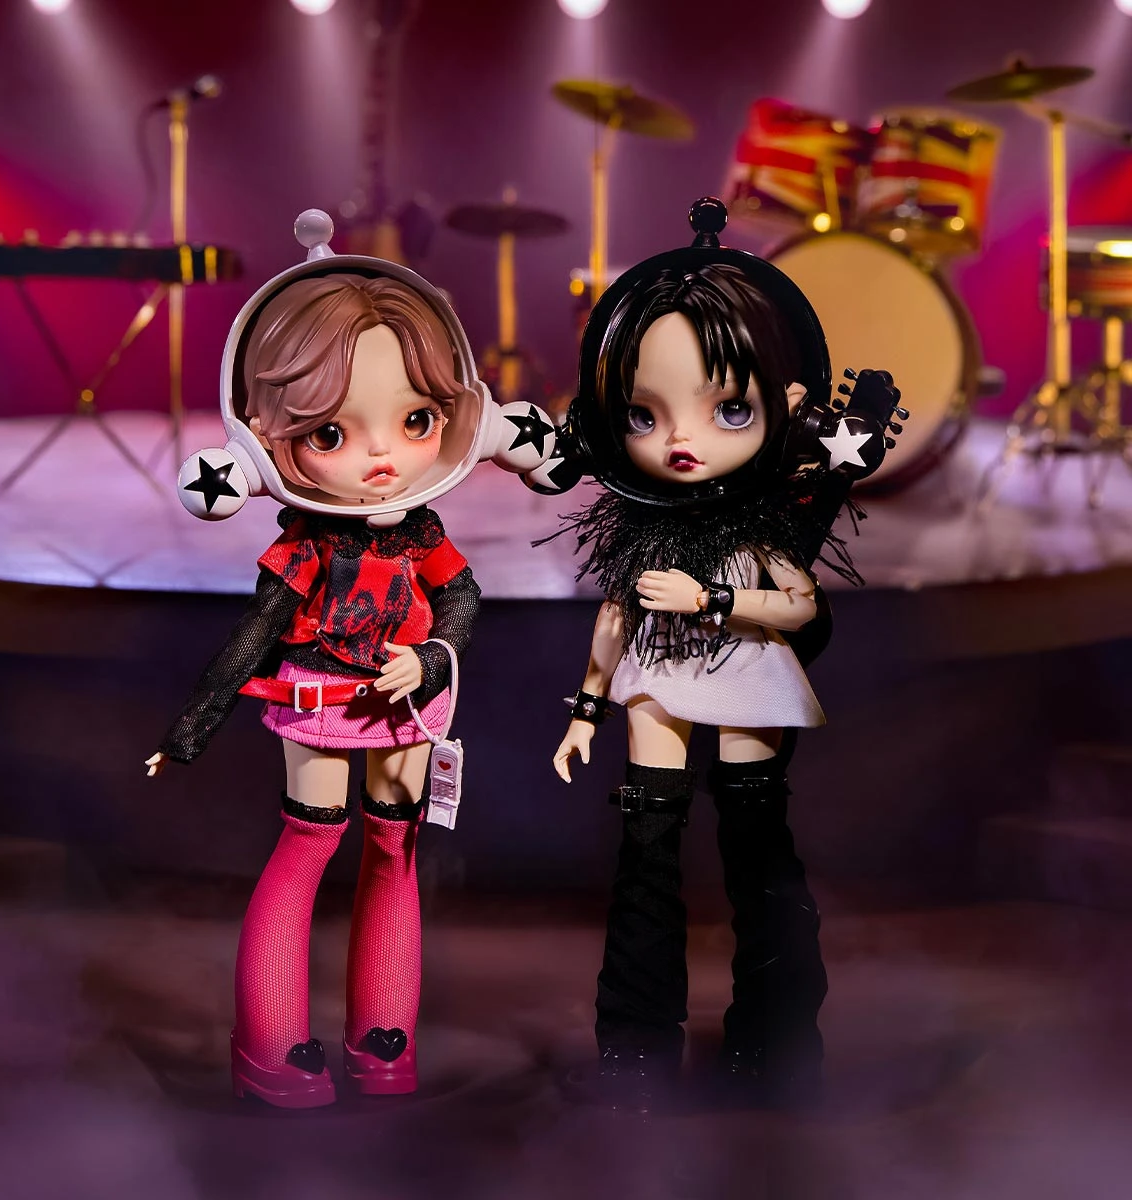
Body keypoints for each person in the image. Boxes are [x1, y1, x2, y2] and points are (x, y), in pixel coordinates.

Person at [148, 213, 558, 1108]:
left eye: (416, 421)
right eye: (330, 434)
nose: (380, 455)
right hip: (321, 702)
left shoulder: (421, 531)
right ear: (265, 440)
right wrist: (190, 729)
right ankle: (271, 1043)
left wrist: (434, 659)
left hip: (407, 706)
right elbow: (256, 633)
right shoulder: (303, 546)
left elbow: (463, 599)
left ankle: (383, 1037)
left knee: (395, 847)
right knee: (308, 843)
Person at [545, 196, 900, 1111]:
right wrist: (586, 707)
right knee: (646, 854)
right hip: (656, 679)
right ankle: (634, 1051)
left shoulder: (763, 521)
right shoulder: (643, 520)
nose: (681, 441)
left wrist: (712, 599)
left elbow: (801, 602)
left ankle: (775, 1043)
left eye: (728, 410)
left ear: (787, 408)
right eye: (642, 415)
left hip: (745, 672)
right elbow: (616, 616)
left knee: (758, 850)